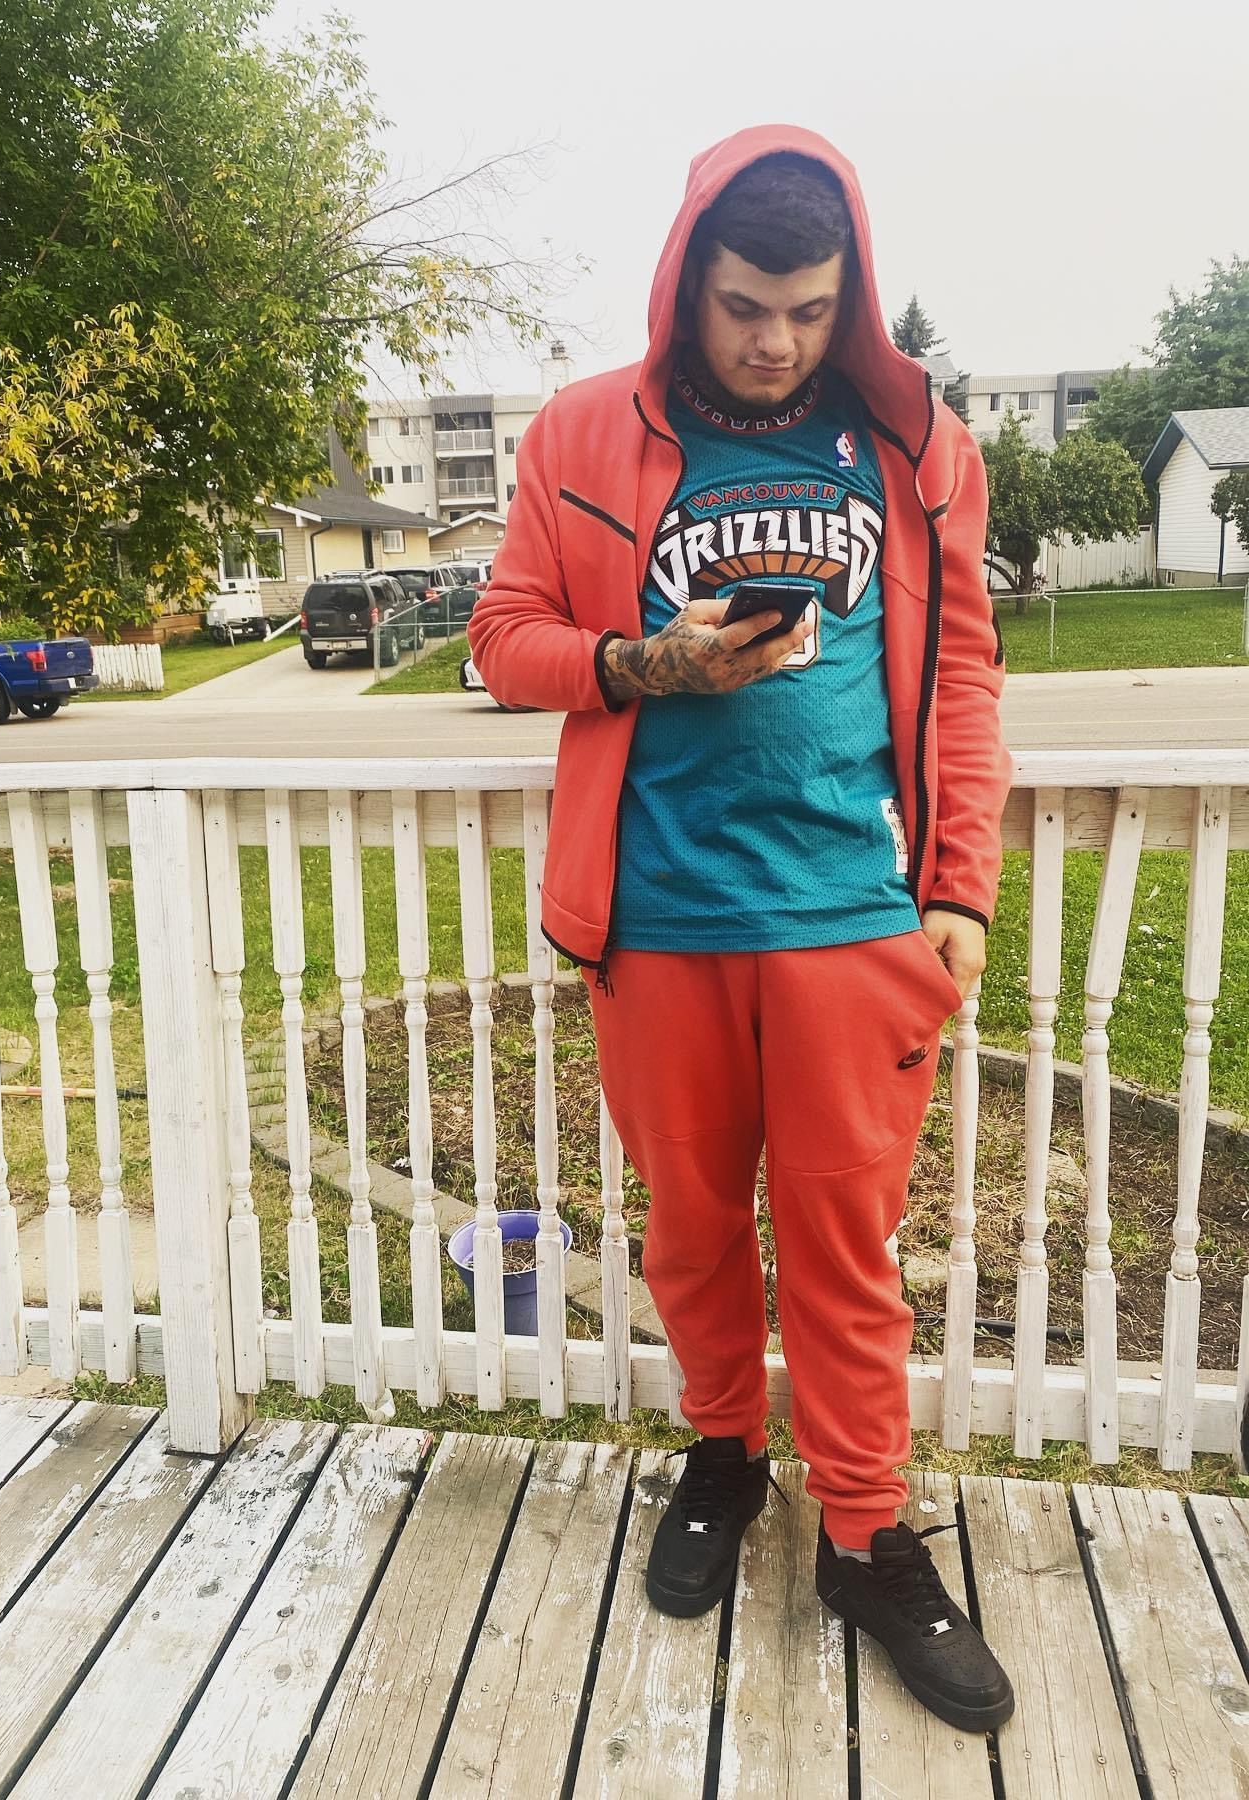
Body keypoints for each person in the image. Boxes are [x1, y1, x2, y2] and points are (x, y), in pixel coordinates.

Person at [467, 124, 1014, 1732]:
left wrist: (960, 886)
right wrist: (648, 663)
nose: (772, 340)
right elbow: (503, 639)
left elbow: (967, 675)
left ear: (848, 301)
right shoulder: (583, 432)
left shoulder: (914, 447)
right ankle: (724, 1453)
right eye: (741, 304)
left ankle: (866, 1532)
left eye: (806, 307)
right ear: (686, 283)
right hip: (658, 919)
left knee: (848, 1252)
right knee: (692, 1226)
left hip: (854, 915)